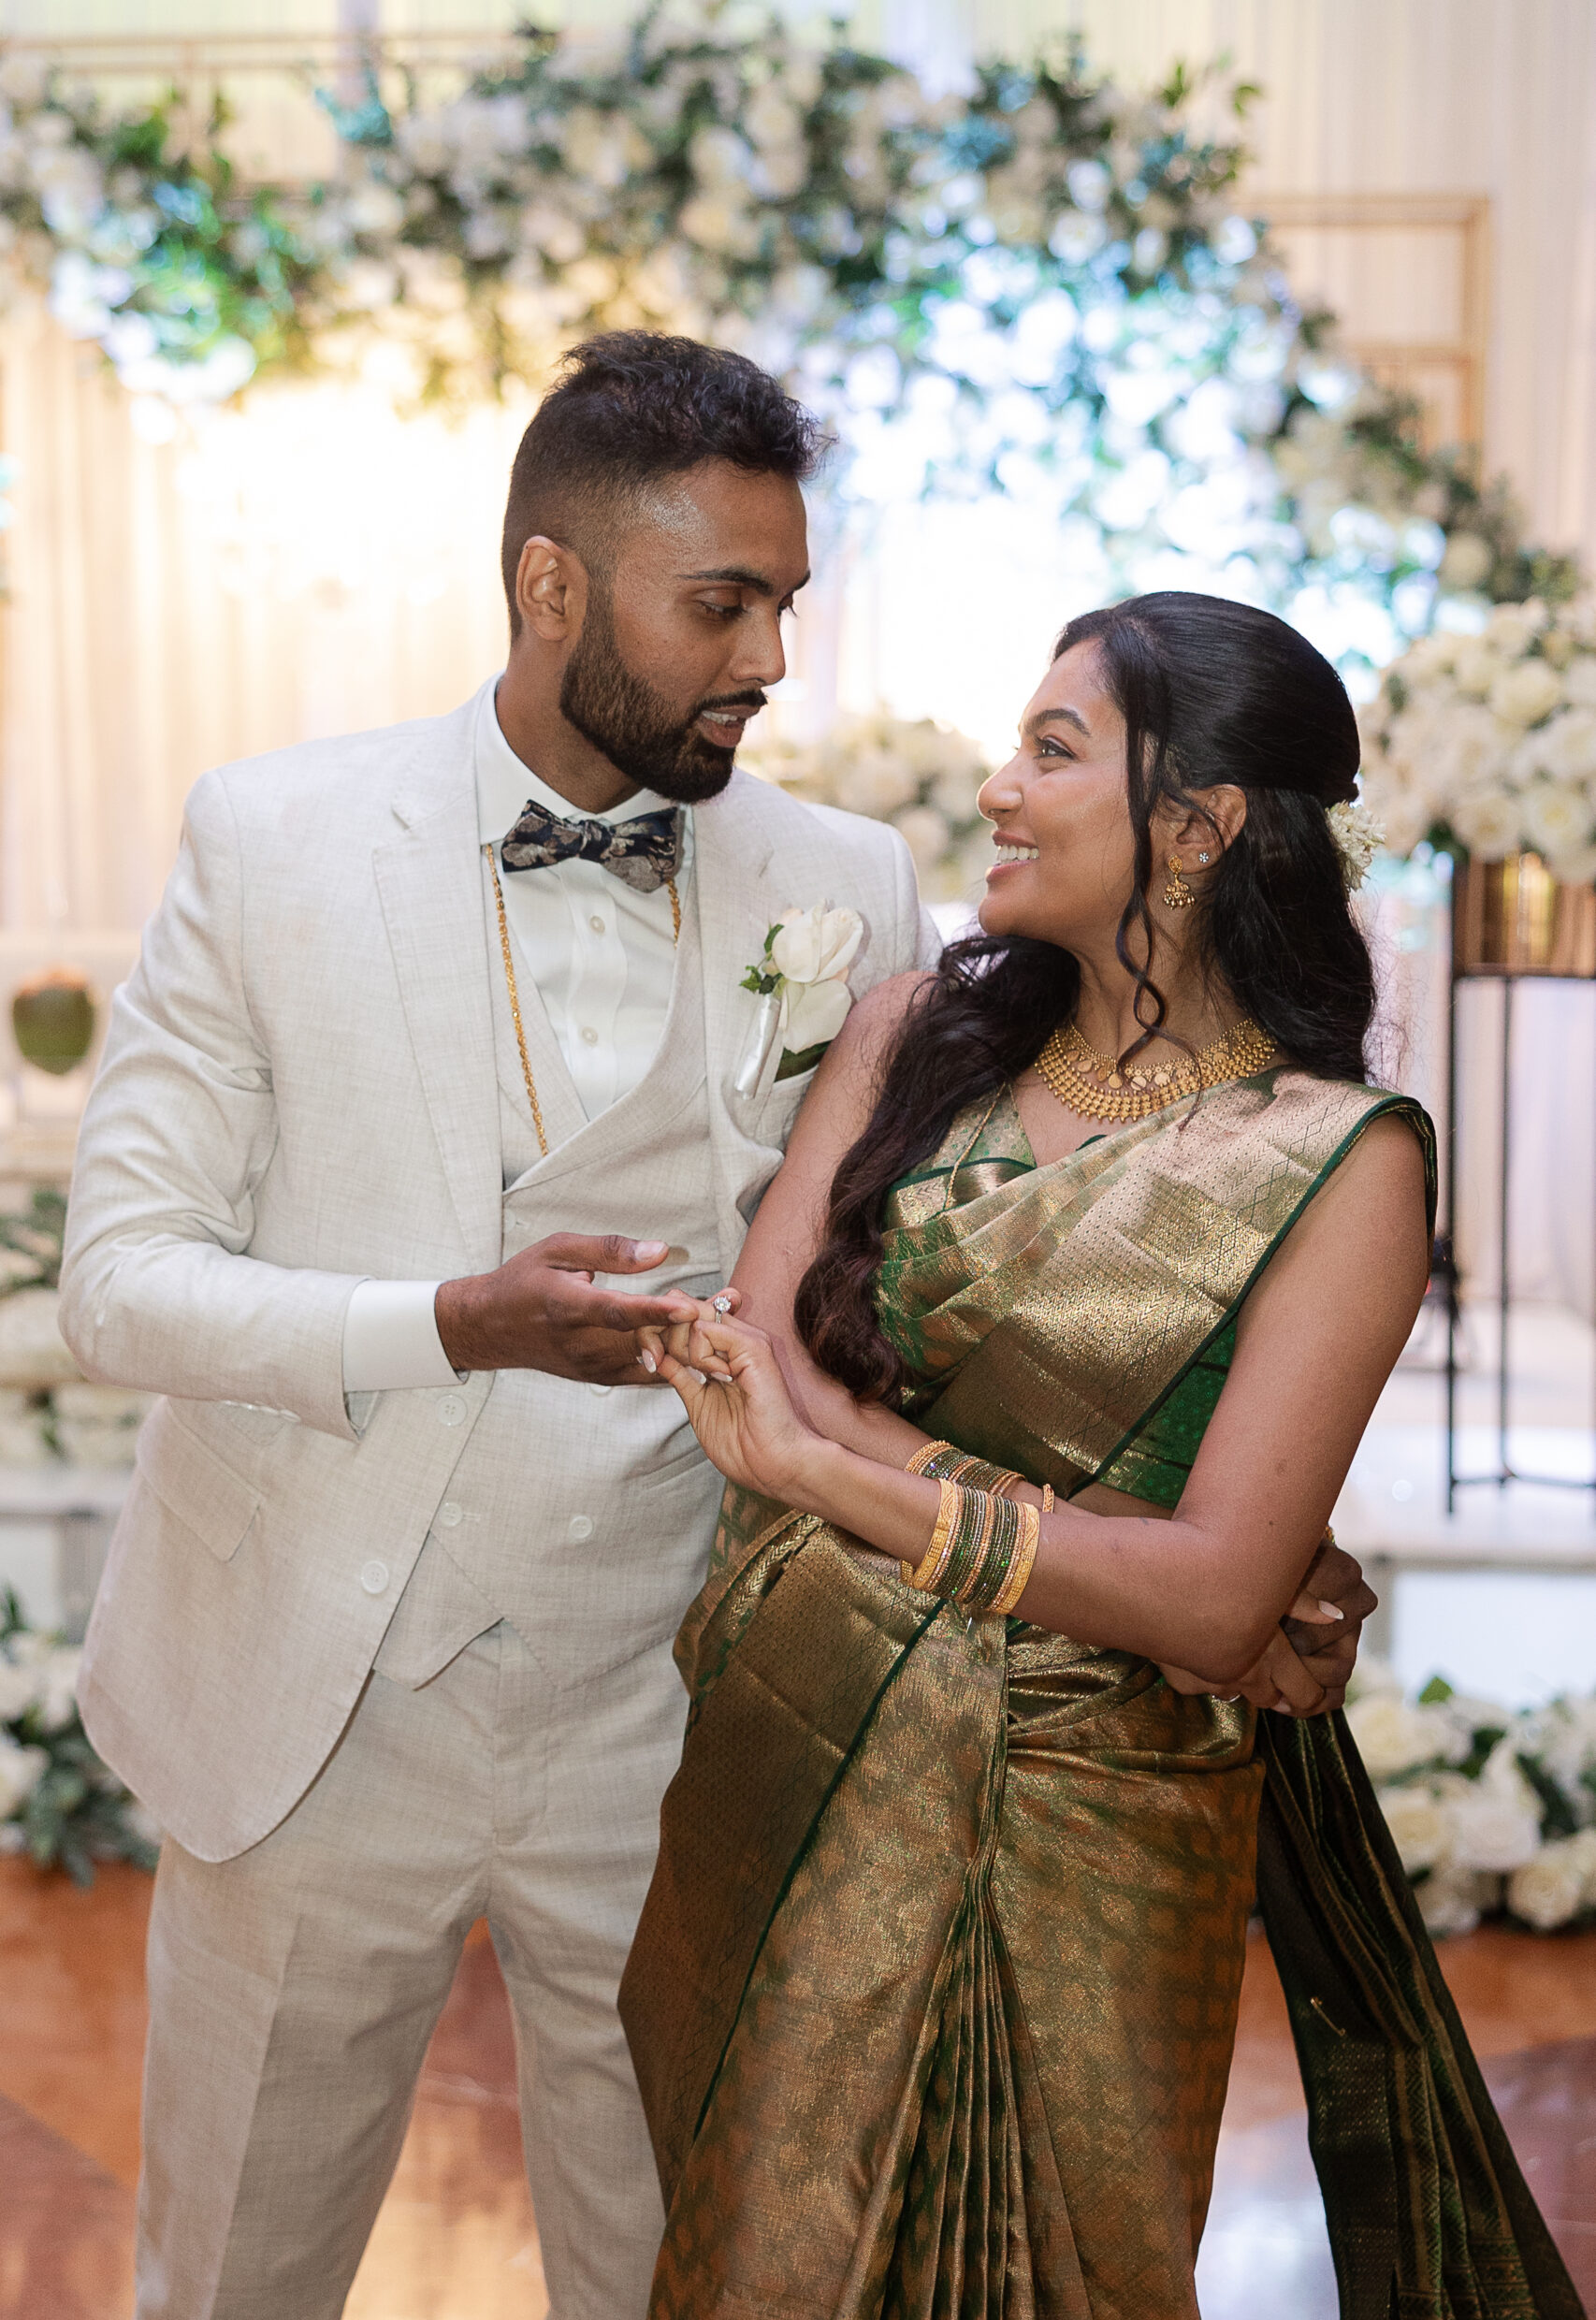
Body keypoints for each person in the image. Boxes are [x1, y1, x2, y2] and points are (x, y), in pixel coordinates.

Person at [57, 332, 944, 2320]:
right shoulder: (274, 841)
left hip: (670, 1697)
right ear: (553, 585)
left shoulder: (844, 882)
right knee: (234, 2276)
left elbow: (883, 1287)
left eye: (785, 601)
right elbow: (118, 1274)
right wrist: (450, 1319)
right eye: (719, 601)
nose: (768, 658)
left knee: (675, 2271)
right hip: (321, 1690)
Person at [619, 591, 1582, 2319]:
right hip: (796, 1748)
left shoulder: (1333, 1160)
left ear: (1200, 826)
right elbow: (747, 1356)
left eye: (1054, 750)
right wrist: (1071, 1539)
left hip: (1098, 1821)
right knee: (754, 2261)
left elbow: (1214, 1606)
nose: (996, 788)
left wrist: (845, 1473)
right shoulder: (911, 1036)